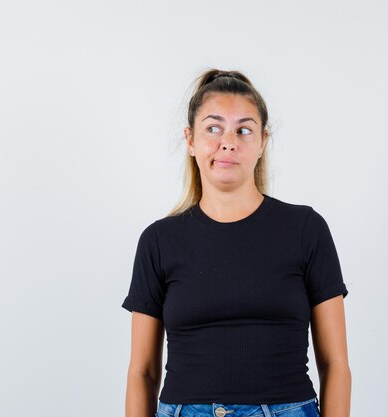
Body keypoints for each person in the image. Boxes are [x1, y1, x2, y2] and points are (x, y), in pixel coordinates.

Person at [121, 69, 351, 417]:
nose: (228, 141)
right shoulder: (159, 241)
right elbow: (142, 372)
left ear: (262, 142)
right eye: (213, 128)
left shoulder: (306, 229)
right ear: (191, 140)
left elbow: (335, 364)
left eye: (243, 129)